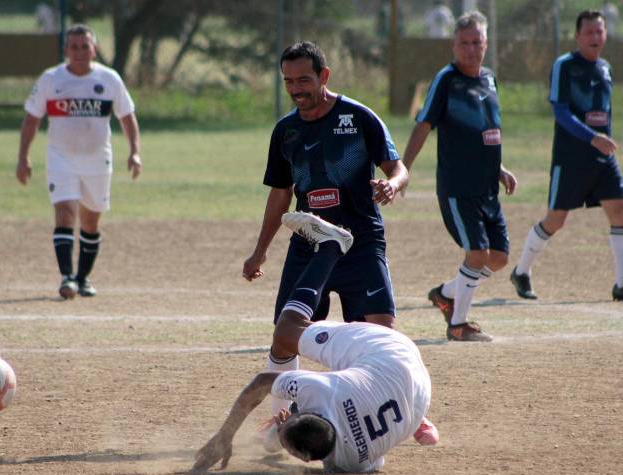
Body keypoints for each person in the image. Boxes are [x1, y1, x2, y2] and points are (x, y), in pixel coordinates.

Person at [194, 212, 438, 474]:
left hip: (418, 392)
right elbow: (264, 382)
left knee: (284, 337)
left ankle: (331, 245)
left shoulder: (352, 461)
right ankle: (330, 248)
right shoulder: (325, 398)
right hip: (389, 354)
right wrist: (225, 436)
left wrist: (289, 427)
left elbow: (369, 456)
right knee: (288, 331)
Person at [242, 41, 409, 418]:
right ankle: (282, 418)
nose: (296, 89)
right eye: (288, 82)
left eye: (303, 80)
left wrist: (392, 185)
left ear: (324, 76)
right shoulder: (285, 132)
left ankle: (402, 406)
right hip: (310, 245)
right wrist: (260, 250)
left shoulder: (359, 117)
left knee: (383, 334)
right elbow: (280, 195)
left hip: (361, 242)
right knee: (286, 336)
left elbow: (398, 169)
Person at [402, 11, 518, 342]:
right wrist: (404, 169)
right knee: (477, 255)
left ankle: (446, 294)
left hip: (486, 187)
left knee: (498, 258)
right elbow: (423, 125)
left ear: (486, 43)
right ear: (453, 45)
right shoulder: (447, 80)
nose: (471, 49)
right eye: (464, 43)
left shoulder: (489, 79)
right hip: (458, 186)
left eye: (477, 42)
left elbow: (483, 131)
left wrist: (499, 169)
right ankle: (458, 325)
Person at [16, 24, 142, 299]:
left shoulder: (109, 79)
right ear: (66, 50)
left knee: (91, 221)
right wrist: (23, 157)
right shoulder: (51, 79)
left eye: (85, 46)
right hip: (61, 158)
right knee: (64, 214)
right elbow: (31, 119)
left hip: (98, 160)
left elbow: (127, 116)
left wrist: (134, 151)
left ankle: (83, 278)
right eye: (74, 47)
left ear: (94, 49)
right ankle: (67, 277)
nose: (80, 52)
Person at [511, 11, 623, 302]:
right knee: (556, 220)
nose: (596, 37)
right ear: (577, 36)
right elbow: (560, 111)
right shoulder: (565, 66)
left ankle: (621, 284)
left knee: (619, 210)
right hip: (571, 158)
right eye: (589, 32)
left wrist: (603, 140)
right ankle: (521, 272)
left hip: (602, 158)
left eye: (600, 32)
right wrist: (592, 138)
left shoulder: (605, 68)